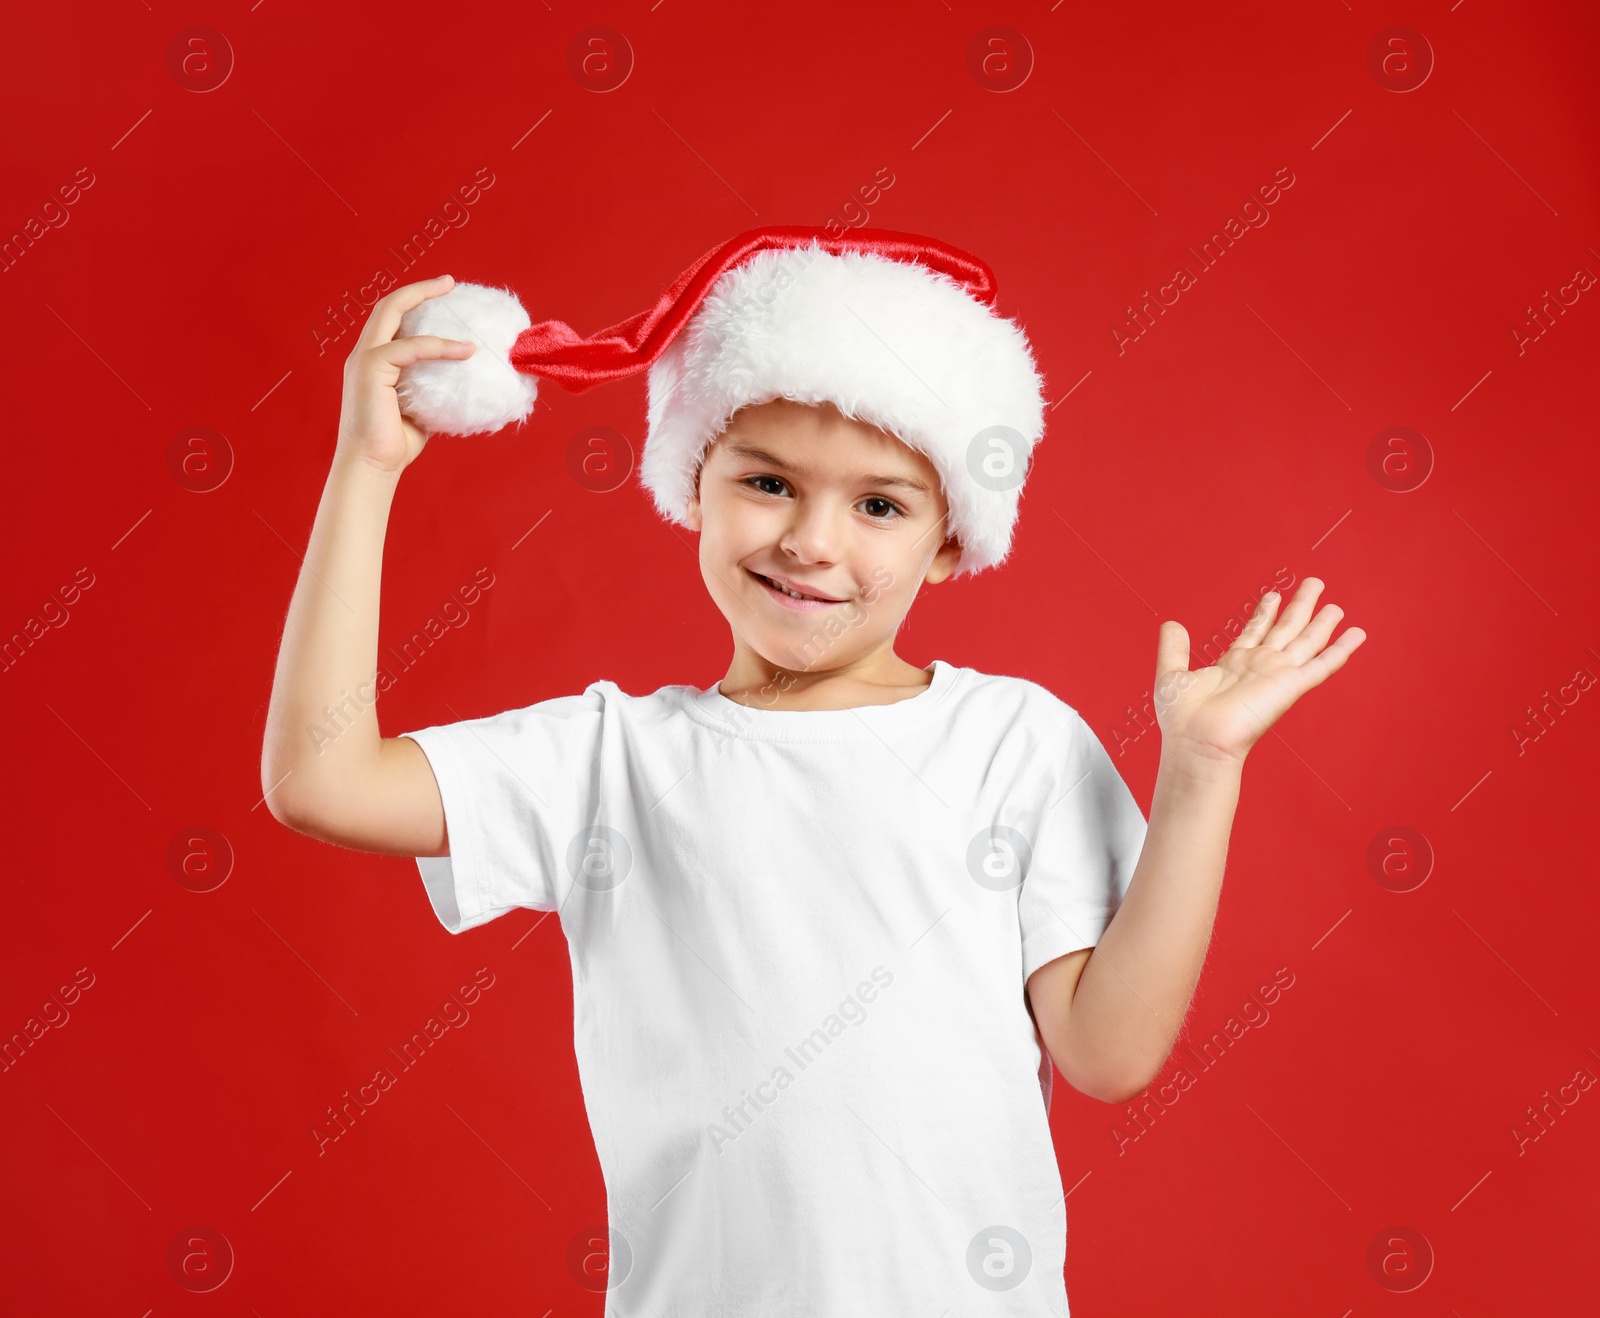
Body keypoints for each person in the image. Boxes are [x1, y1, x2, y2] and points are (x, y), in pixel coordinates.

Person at [260, 227, 1366, 1315]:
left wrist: (1202, 771)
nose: (811, 542)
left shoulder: (1012, 740)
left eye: (878, 504)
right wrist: (368, 468)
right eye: (768, 482)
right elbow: (322, 779)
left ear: (948, 540)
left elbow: (1109, 1052)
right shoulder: (611, 761)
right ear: (693, 483)